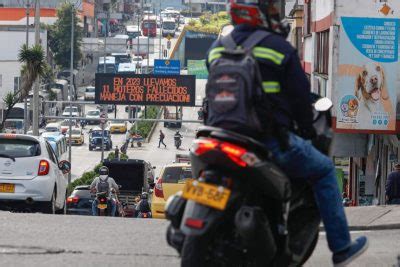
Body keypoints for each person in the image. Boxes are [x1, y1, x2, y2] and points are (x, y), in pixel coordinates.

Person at [206, 1, 368, 266]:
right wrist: (305, 130)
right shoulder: (278, 47)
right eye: (271, 11)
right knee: (325, 169)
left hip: (217, 136)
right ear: (259, 14)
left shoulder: (217, 48)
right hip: (267, 141)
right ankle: (341, 248)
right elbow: (300, 101)